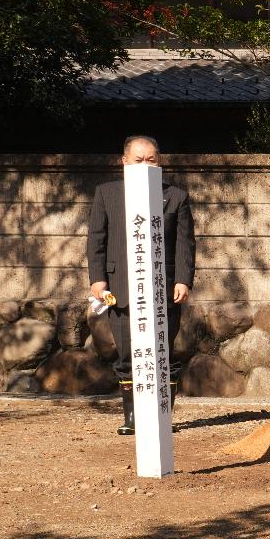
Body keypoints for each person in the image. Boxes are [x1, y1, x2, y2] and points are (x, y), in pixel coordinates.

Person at [86, 135, 195, 436]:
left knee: (165, 354)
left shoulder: (175, 196)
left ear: (160, 161)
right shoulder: (107, 194)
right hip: (120, 288)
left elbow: (185, 244)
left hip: (165, 289)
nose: (145, 165)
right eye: (138, 160)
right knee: (126, 354)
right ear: (124, 162)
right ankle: (132, 417)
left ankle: (162, 415)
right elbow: (97, 239)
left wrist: (184, 280)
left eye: (151, 160)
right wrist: (97, 279)